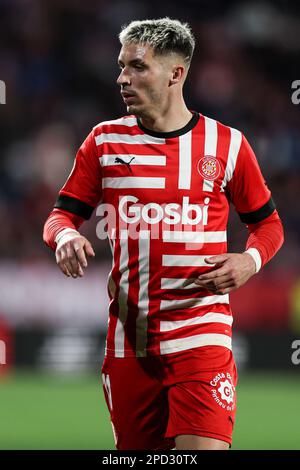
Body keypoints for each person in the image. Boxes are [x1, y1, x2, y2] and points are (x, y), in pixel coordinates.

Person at [43, 18, 284, 450]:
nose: (122, 77)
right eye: (121, 66)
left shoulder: (226, 145)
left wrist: (250, 261)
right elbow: (60, 216)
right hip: (130, 341)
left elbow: (267, 224)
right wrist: (64, 238)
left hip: (201, 335)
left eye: (137, 66)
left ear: (177, 74)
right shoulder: (104, 142)